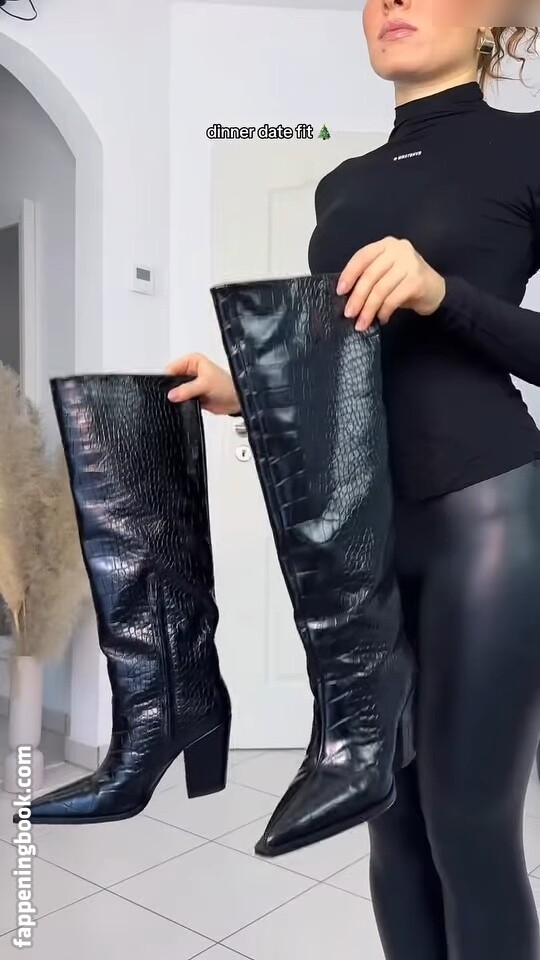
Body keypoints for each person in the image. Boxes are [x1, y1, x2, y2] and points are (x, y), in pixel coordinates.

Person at [167, 2, 540, 957]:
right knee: (389, 820)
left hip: (487, 512)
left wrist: (442, 293)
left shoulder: (527, 147)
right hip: (366, 522)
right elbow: (346, 372)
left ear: (493, 20)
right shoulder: (343, 186)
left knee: (467, 820)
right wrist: (245, 388)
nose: (391, 2)